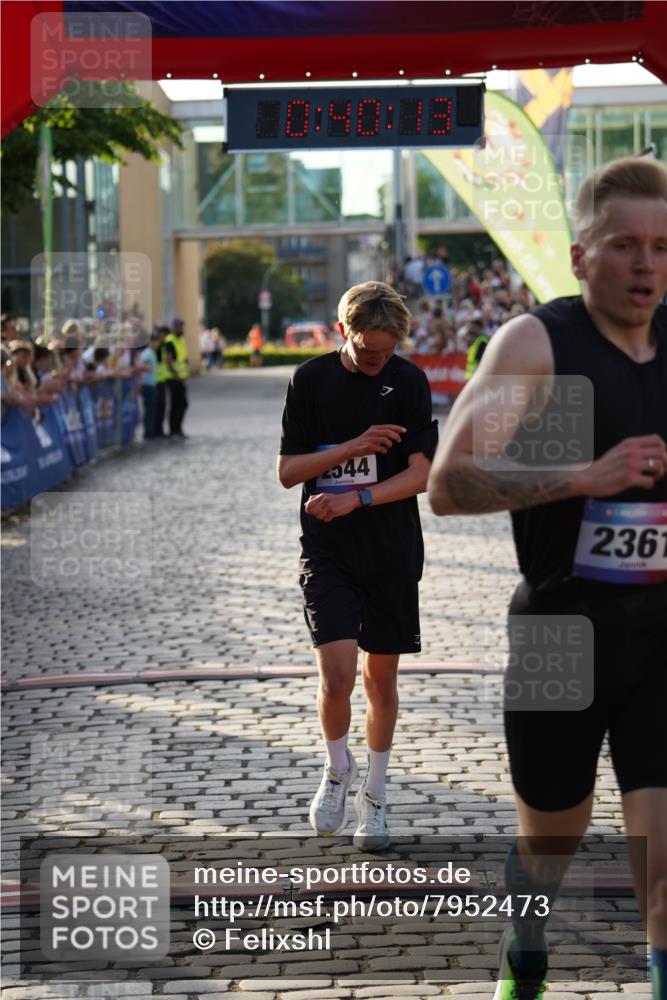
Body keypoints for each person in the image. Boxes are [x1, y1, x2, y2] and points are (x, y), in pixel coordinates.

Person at [427, 157, 667, 1000]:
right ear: (577, 255)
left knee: (662, 868)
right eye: (624, 246)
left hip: (660, 633)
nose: (645, 266)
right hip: (560, 635)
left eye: (661, 247)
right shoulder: (539, 344)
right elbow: (448, 486)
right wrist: (578, 477)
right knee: (549, 846)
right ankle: (521, 960)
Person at [278, 281, 438, 850]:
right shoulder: (309, 380)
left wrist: (359, 496)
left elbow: (422, 474)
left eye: (387, 351)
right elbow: (289, 471)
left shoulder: (410, 380)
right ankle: (336, 768)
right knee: (338, 676)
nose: (377, 361)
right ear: (342, 330)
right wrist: (352, 447)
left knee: (381, 681)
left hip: (392, 550)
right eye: (368, 350)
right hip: (328, 552)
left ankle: (375, 794)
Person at [164, 318, 190, 439]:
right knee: (176, 405)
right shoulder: (170, 341)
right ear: (174, 327)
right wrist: (176, 375)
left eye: (182, 326)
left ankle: (178, 428)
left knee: (182, 404)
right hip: (173, 378)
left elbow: (182, 357)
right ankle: (173, 430)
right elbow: (168, 361)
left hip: (181, 378)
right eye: (179, 327)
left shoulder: (181, 340)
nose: (181, 329)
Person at [139, 332, 159, 440]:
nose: (157, 344)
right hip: (147, 384)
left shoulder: (151, 352)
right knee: (149, 410)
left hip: (151, 383)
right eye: (155, 342)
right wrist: (149, 368)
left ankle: (150, 431)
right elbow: (144, 366)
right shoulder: (147, 353)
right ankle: (148, 432)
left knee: (151, 409)